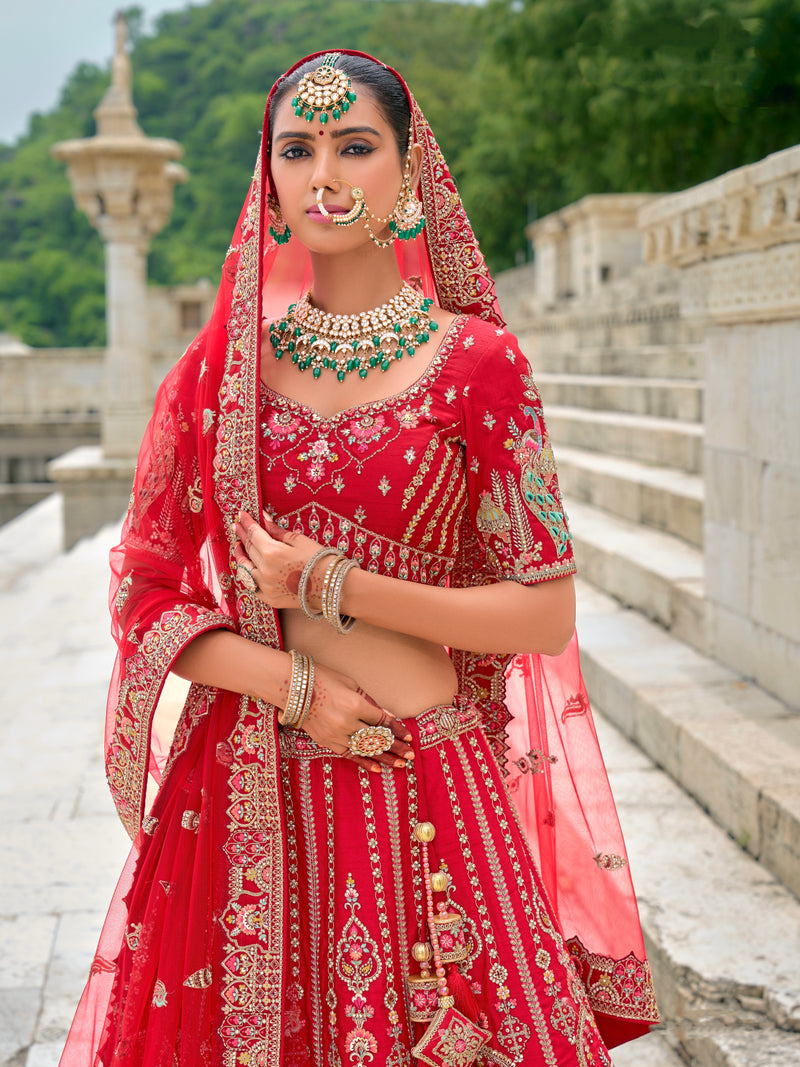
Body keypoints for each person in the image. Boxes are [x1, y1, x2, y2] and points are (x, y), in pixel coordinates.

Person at [60, 50, 659, 1066]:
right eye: (296, 149)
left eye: (354, 145)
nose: (324, 171)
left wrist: (328, 583)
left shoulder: (478, 365)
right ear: (271, 184)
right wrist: (298, 686)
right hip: (248, 791)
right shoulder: (216, 378)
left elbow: (542, 614)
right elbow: (145, 593)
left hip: (429, 786)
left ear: (409, 174)